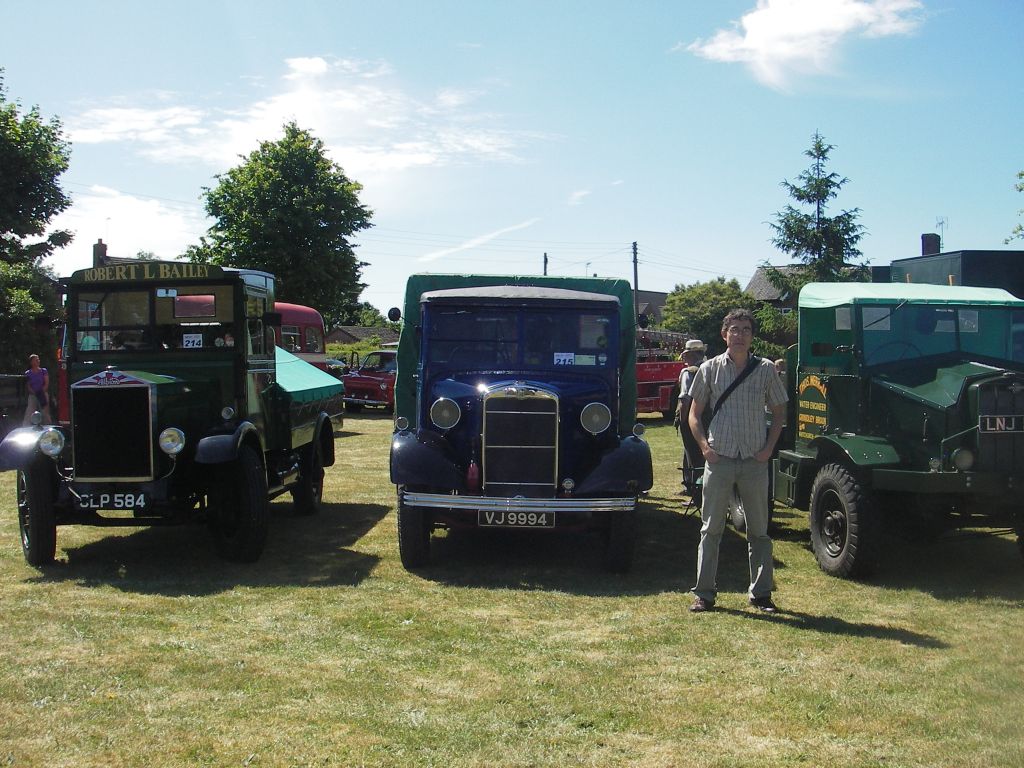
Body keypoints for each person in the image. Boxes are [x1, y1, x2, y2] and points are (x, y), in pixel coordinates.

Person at [687, 309, 787, 614]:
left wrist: (768, 448)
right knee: (711, 529)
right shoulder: (709, 369)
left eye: (745, 329)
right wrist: (705, 448)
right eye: (734, 329)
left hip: (754, 460)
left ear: (752, 335)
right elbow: (693, 415)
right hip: (720, 458)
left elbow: (780, 412)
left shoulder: (766, 369)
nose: (740, 334)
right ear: (724, 334)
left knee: (759, 531)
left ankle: (761, 595)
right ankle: (704, 594)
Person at [674, 339, 706, 494]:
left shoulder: (689, 372)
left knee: (692, 453)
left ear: (692, 354)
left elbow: (685, 398)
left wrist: (684, 421)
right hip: (707, 418)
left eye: (686, 355)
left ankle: (694, 490)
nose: (684, 358)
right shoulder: (709, 368)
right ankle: (691, 485)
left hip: (691, 418)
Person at [22, 354, 51, 425]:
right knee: (29, 412)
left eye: (38, 359)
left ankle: (48, 427)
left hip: (43, 394)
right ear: (32, 362)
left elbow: (46, 383)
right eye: (36, 360)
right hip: (33, 395)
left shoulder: (44, 371)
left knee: (45, 412)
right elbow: (28, 386)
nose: (38, 361)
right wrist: (34, 393)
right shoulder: (28, 373)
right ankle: (25, 427)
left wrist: (41, 392)